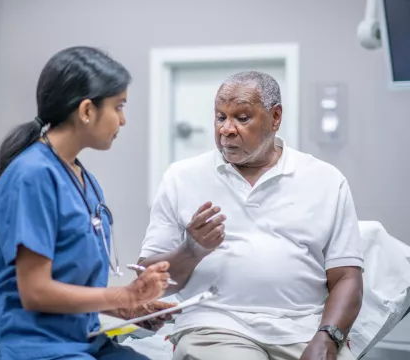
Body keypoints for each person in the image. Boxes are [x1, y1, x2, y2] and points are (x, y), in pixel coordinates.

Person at [138, 71, 364, 360]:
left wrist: (328, 338)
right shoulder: (181, 178)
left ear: (275, 117)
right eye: (220, 117)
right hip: (216, 325)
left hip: (304, 328)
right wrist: (190, 250)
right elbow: (147, 283)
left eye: (241, 118)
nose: (226, 130)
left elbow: (347, 277)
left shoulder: (326, 180)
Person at [0, 46, 174, 360]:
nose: (123, 120)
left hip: (80, 338)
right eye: (118, 107)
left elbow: (73, 281)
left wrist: (132, 306)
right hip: (28, 344)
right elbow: (36, 291)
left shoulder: (82, 178)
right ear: (87, 111)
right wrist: (125, 294)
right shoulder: (32, 176)